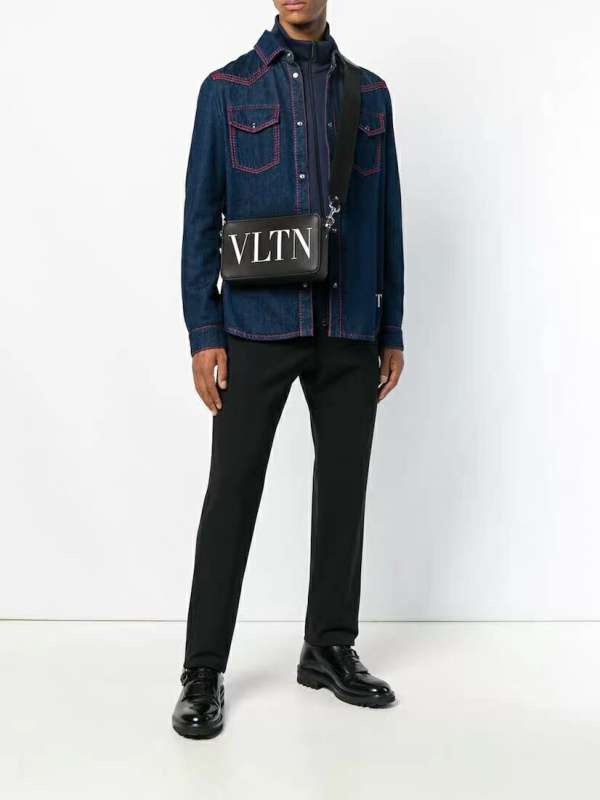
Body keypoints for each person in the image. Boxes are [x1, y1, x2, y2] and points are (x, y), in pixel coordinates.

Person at [173, 0, 405, 739]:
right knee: (231, 492)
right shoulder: (227, 89)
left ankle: (328, 646)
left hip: (349, 326)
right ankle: (202, 669)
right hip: (256, 324)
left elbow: (387, 216)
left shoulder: (370, 95)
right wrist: (204, 330)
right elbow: (200, 215)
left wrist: (391, 325)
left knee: (343, 489)